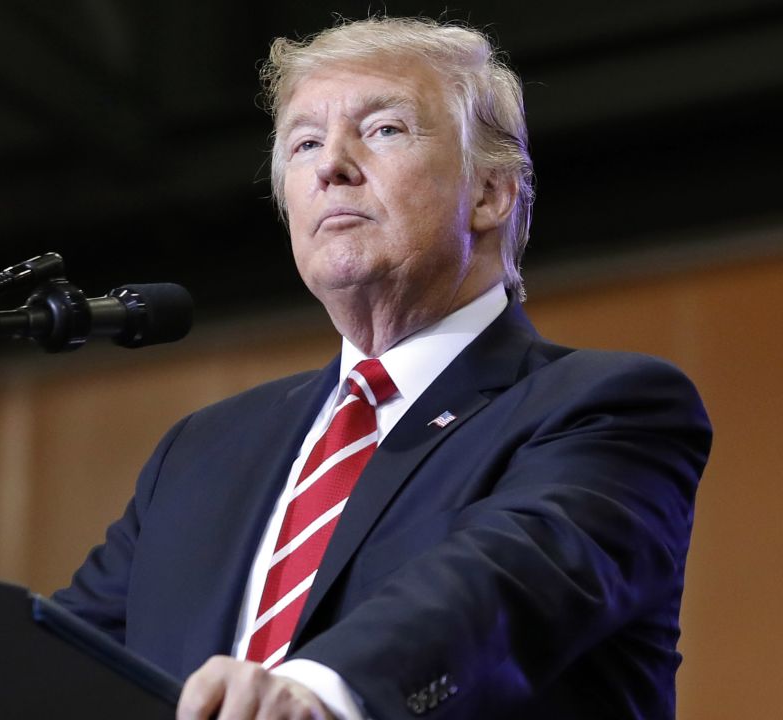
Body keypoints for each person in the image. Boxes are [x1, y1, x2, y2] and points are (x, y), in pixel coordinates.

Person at [53, 16, 711, 720]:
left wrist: (321, 690)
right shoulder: (200, 453)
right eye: (304, 143)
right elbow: (53, 663)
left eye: (384, 129)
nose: (330, 164)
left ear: (491, 193)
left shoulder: (607, 408)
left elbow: (500, 585)